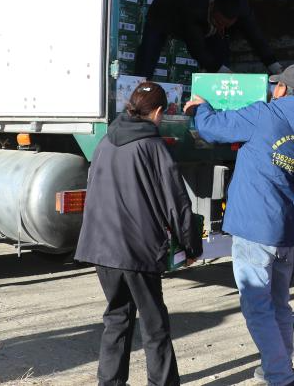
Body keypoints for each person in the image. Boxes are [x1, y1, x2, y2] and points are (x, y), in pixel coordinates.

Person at [184, 64, 294, 386]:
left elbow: (213, 129)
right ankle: (280, 366)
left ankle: (280, 376)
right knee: (278, 303)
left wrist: (202, 107)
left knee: (257, 306)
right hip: (285, 226)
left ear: (282, 89)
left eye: (276, 86)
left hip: (255, 225)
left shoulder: (264, 114)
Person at [75, 82, 203, 386]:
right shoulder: (153, 146)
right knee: (154, 323)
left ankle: (110, 382)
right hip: (137, 249)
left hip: (101, 247)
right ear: (157, 112)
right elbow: (176, 202)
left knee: (116, 318)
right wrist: (191, 246)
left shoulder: (106, 141)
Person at [135, 0, 283, 78]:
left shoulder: (242, 7)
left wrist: (276, 68)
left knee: (221, 52)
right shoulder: (194, 10)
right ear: (212, 7)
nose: (221, 28)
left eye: (226, 25)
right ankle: (138, 92)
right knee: (149, 53)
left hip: (203, 15)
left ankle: (218, 103)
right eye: (218, 23)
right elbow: (197, 50)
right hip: (165, 8)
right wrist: (223, 71)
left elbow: (256, 38)